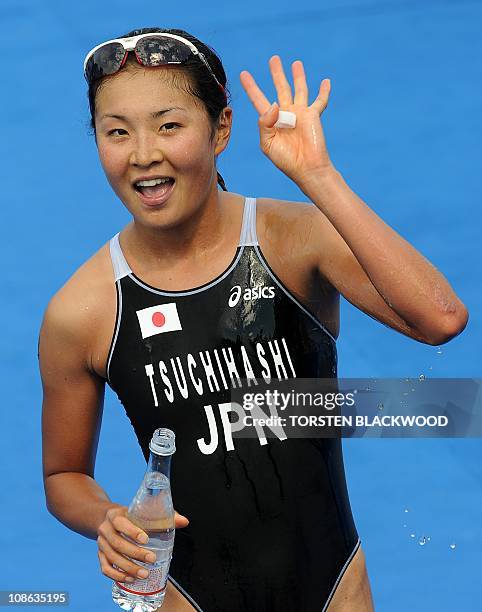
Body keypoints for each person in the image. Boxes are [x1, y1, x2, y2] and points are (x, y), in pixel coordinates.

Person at [39, 26, 468, 612]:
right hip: (189, 598)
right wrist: (108, 518)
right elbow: (64, 477)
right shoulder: (83, 310)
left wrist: (317, 176)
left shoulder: (289, 241)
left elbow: (440, 319)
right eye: (116, 133)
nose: (143, 155)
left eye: (169, 125)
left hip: (334, 592)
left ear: (221, 130)